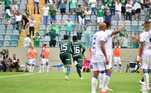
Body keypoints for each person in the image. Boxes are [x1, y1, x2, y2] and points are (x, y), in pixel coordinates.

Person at [138, 21, 151, 92]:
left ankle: (146, 86)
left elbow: (142, 46)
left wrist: (139, 55)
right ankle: (147, 85)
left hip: (146, 52)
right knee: (149, 69)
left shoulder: (143, 34)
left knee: (145, 69)